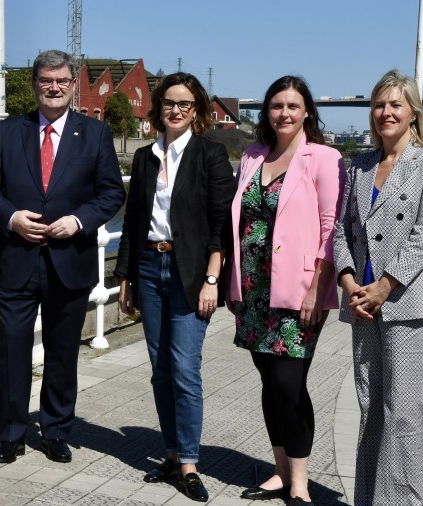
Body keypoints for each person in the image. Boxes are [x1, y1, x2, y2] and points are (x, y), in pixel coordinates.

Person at [0, 49, 125, 465]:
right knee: (12, 351)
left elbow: (112, 192)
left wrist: (79, 221)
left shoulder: (94, 134)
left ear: (73, 85)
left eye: (61, 81)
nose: (54, 87)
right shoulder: (8, 132)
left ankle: (56, 431)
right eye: (46, 80)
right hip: (16, 260)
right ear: (34, 84)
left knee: (62, 353)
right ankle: (10, 432)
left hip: (70, 260)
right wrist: (11, 218)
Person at [114, 72, 235, 503]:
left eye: (185, 104)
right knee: (160, 368)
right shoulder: (146, 157)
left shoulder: (211, 155)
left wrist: (211, 279)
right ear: (158, 107)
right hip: (148, 266)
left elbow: (223, 223)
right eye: (169, 103)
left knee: (185, 369)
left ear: (198, 109)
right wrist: (125, 278)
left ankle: (188, 462)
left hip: (190, 272)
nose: (176, 110)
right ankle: (168, 454)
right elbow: (132, 222)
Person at [225, 76, 344, 505]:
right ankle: (279, 472)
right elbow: (236, 222)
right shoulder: (254, 156)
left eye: (293, 106)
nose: (285, 114)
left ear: (307, 111)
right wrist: (230, 283)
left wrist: (318, 287)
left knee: (290, 383)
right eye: (277, 106)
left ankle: (300, 483)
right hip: (254, 290)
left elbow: (332, 228)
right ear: (267, 112)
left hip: (298, 291)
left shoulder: (324, 158)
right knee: (268, 381)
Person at [333, 69, 423, 506]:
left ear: (413, 112)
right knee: (370, 406)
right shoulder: (358, 165)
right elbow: (341, 231)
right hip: (363, 303)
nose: (386, 112)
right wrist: (348, 281)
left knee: (402, 412)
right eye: (379, 105)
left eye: (395, 104)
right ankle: (368, 499)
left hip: (406, 301)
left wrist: (384, 285)